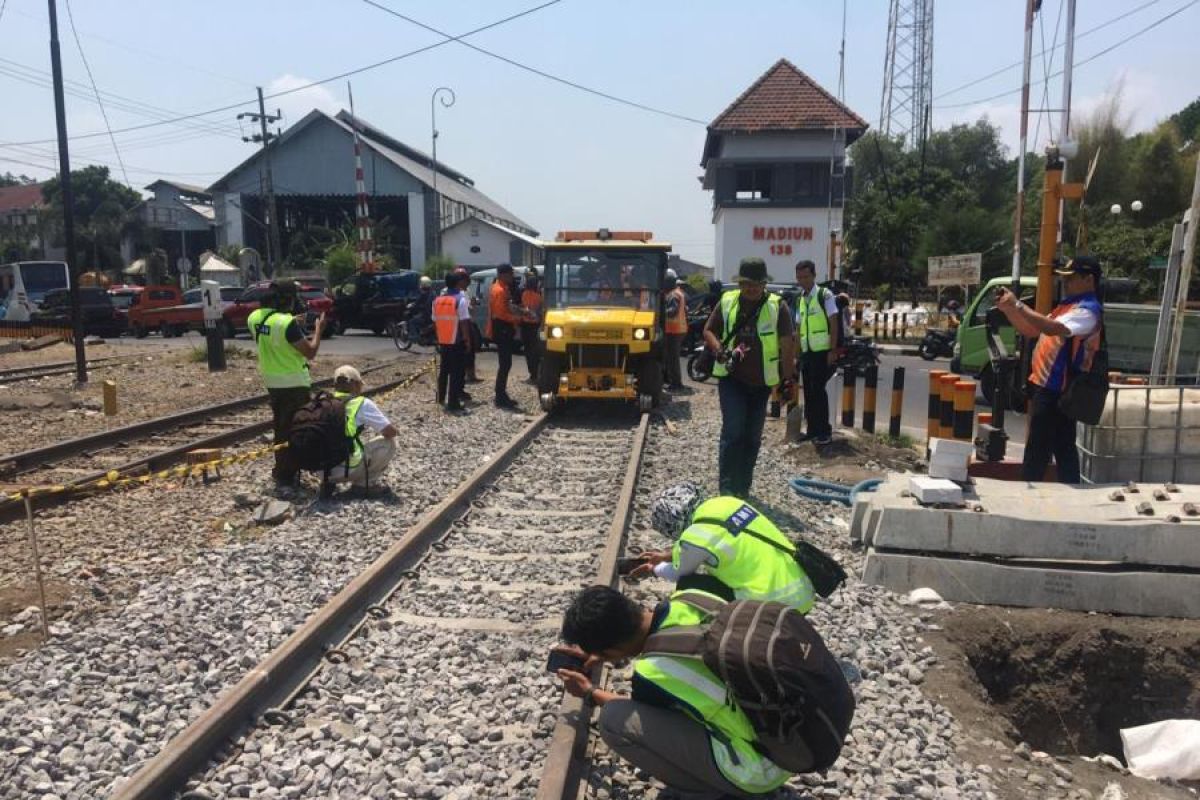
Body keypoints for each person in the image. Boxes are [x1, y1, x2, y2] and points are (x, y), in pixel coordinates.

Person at [556, 586, 793, 799]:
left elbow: (639, 715)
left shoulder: (653, 672)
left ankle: (707, 790)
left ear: (612, 650)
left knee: (613, 720)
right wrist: (604, 652)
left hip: (760, 770)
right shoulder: (692, 598)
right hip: (790, 739)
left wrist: (590, 691)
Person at [996, 255, 1104, 483]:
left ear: (1089, 280)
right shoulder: (1068, 306)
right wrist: (1009, 310)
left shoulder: (1088, 310)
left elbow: (1054, 329)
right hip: (1046, 387)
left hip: (1058, 390)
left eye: (1071, 278)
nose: (1066, 283)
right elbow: (1032, 330)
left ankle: (1029, 491)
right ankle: (1070, 488)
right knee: (1061, 446)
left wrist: (1018, 304)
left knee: (1039, 447)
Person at [634, 482, 818, 613]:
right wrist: (666, 555)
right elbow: (722, 537)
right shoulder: (727, 503)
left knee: (688, 585)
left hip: (774, 606)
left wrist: (654, 568)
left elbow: (677, 573)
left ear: (672, 525)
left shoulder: (694, 537)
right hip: (805, 593)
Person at [703, 257, 796, 498]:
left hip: (762, 384)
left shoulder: (778, 307)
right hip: (732, 380)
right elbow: (709, 330)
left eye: (756, 284)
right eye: (746, 284)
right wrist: (720, 351)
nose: (751, 288)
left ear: (764, 283)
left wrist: (788, 381)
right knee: (733, 432)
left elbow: (787, 346)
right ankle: (726, 489)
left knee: (752, 437)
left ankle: (743, 488)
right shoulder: (727, 301)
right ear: (740, 283)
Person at [247, 280, 324, 493]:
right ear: (289, 299)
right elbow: (310, 351)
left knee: (280, 427)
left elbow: (272, 326)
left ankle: (283, 470)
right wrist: (318, 330)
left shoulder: (254, 318)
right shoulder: (287, 324)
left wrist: (291, 320)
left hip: (272, 381)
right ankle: (288, 475)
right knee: (297, 428)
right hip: (294, 382)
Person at [793, 260, 840, 445]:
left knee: (819, 392)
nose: (802, 280)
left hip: (822, 352)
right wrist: (796, 355)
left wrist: (832, 349)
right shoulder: (800, 299)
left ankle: (824, 431)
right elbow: (798, 328)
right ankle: (812, 430)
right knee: (810, 393)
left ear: (814, 275)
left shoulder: (824, 294)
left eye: (805, 276)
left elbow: (834, 321)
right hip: (807, 353)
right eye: (799, 278)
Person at [328, 365, 398, 489]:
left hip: (321, 469)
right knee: (389, 443)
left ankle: (328, 482)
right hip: (346, 470)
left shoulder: (324, 401)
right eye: (360, 384)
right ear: (355, 385)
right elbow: (389, 432)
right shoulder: (362, 403)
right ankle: (362, 485)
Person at [433, 271, 473, 413]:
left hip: (443, 341)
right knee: (456, 373)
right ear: (457, 283)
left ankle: (440, 397)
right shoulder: (460, 300)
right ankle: (453, 403)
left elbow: (435, 320)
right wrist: (467, 341)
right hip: (456, 341)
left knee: (444, 370)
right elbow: (464, 323)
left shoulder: (437, 300)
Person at [487, 263, 523, 409]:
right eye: (510, 274)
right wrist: (517, 319)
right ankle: (500, 396)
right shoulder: (500, 290)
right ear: (503, 274)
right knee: (505, 363)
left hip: (503, 328)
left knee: (505, 363)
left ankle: (501, 394)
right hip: (502, 328)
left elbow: (506, 308)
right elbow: (500, 314)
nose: (512, 276)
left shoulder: (500, 288)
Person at [663, 269, 687, 391]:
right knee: (670, 357)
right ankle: (670, 380)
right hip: (676, 330)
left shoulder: (673, 295)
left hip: (674, 330)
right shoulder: (677, 292)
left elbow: (672, 312)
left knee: (673, 359)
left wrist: (659, 313)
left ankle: (676, 384)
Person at [520, 271, 543, 383]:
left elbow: (522, 308)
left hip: (525, 326)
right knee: (536, 352)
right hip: (535, 326)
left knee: (528, 351)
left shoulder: (524, 294)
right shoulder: (539, 297)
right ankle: (536, 374)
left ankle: (532, 375)